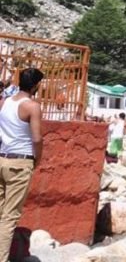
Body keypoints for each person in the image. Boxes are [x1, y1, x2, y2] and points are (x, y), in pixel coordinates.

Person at [0, 68, 44, 262]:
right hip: (20, 162)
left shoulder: (5, 102)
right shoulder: (32, 106)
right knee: (9, 218)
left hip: (2, 158)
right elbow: (37, 138)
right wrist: (38, 159)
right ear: (35, 85)